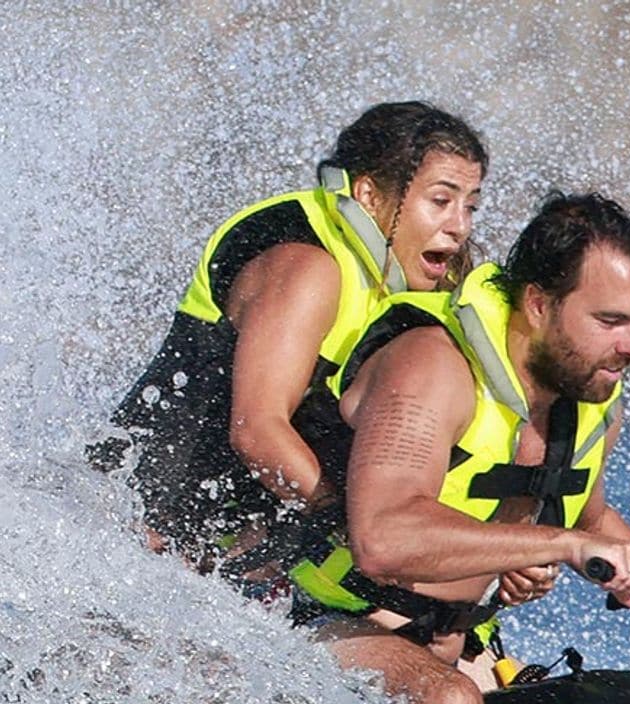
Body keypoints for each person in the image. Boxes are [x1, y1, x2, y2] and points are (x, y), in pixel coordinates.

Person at [285, 191, 630, 704]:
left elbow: (590, 520)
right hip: (313, 626)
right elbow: (384, 539)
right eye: (609, 321)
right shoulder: (431, 367)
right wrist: (558, 545)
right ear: (538, 305)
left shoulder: (592, 398)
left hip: (462, 643)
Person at [89, 102, 487, 587]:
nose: (460, 226)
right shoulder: (307, 268)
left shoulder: (402, 290)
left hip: (212, 557)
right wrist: (353, 529)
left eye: (470, 205)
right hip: (126, 531)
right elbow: (256, 431)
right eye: (440, 201)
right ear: (368, 194)